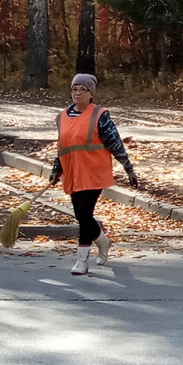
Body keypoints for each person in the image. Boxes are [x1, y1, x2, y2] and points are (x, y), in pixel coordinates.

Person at [49, 73, 138, 275]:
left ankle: (82, 261)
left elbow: (115, 143)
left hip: (93, 172)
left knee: (83, 214)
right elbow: (62, 147)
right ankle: (103, 241)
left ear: (91, 94)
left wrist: (128, 168)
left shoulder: (100, 115)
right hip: (73, 173)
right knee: (81, 216)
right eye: (74, 89)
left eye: (83, 89)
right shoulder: (62, 117)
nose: (77, 93)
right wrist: (56, 169)